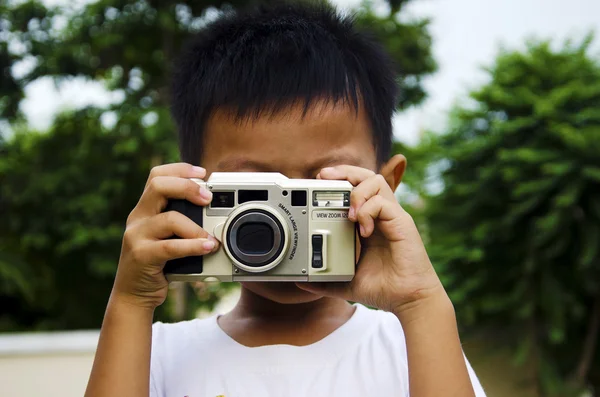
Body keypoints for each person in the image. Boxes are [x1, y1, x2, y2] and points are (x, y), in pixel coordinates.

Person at [85, 2, 486, 396]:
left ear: (386, 187)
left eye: (319, 187)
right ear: (191, 191)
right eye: (252, 189)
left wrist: (421, 302)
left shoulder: (412, 348)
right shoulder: (155, 356)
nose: (285, 219)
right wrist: (131, 301)